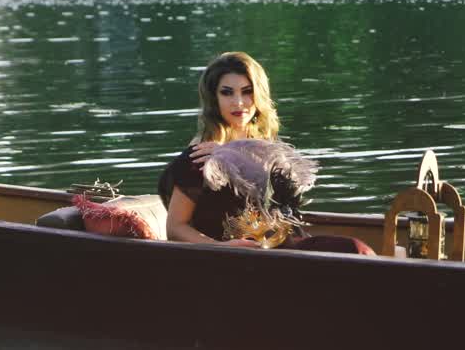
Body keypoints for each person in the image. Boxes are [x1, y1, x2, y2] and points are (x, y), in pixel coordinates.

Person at [159, 51, 374, 255]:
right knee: (354, 250)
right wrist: (222, 248)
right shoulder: (200, 156)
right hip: (243, 260)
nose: (239, 102)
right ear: (214, 99)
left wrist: (236, 154)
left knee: (357, 250)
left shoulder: (263, 150)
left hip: (283, 248)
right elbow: (175, 228)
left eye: (247, 91)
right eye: (227, 92)